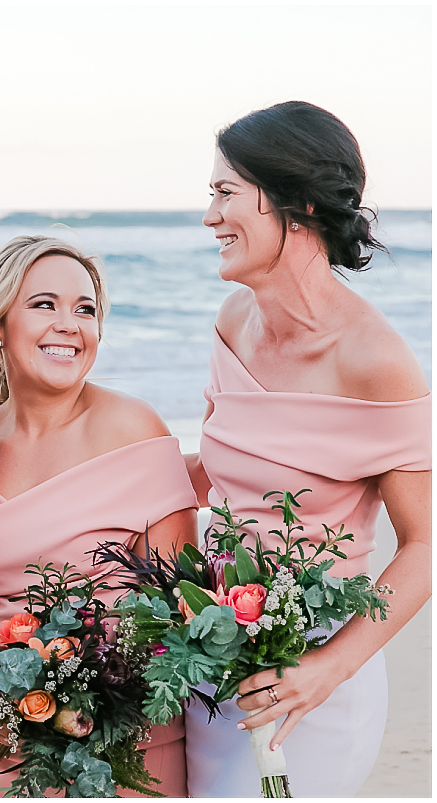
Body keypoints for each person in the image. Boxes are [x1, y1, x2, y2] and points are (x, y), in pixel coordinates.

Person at [183, 101, 432, 797]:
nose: (210, 217)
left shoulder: (377, 361)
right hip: (211, 651)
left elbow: (422, 547)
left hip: (314, 675)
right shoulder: (233, 320)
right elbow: (214, 473)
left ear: (297, 204)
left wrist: (328, 667)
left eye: (225, 193)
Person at [0, 235, 196, 796]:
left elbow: (181, 598)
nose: (69, 323)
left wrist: (99, 694)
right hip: (7, 740)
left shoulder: (134, 429)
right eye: (44, 304)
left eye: (84, 310)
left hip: (129, 735)